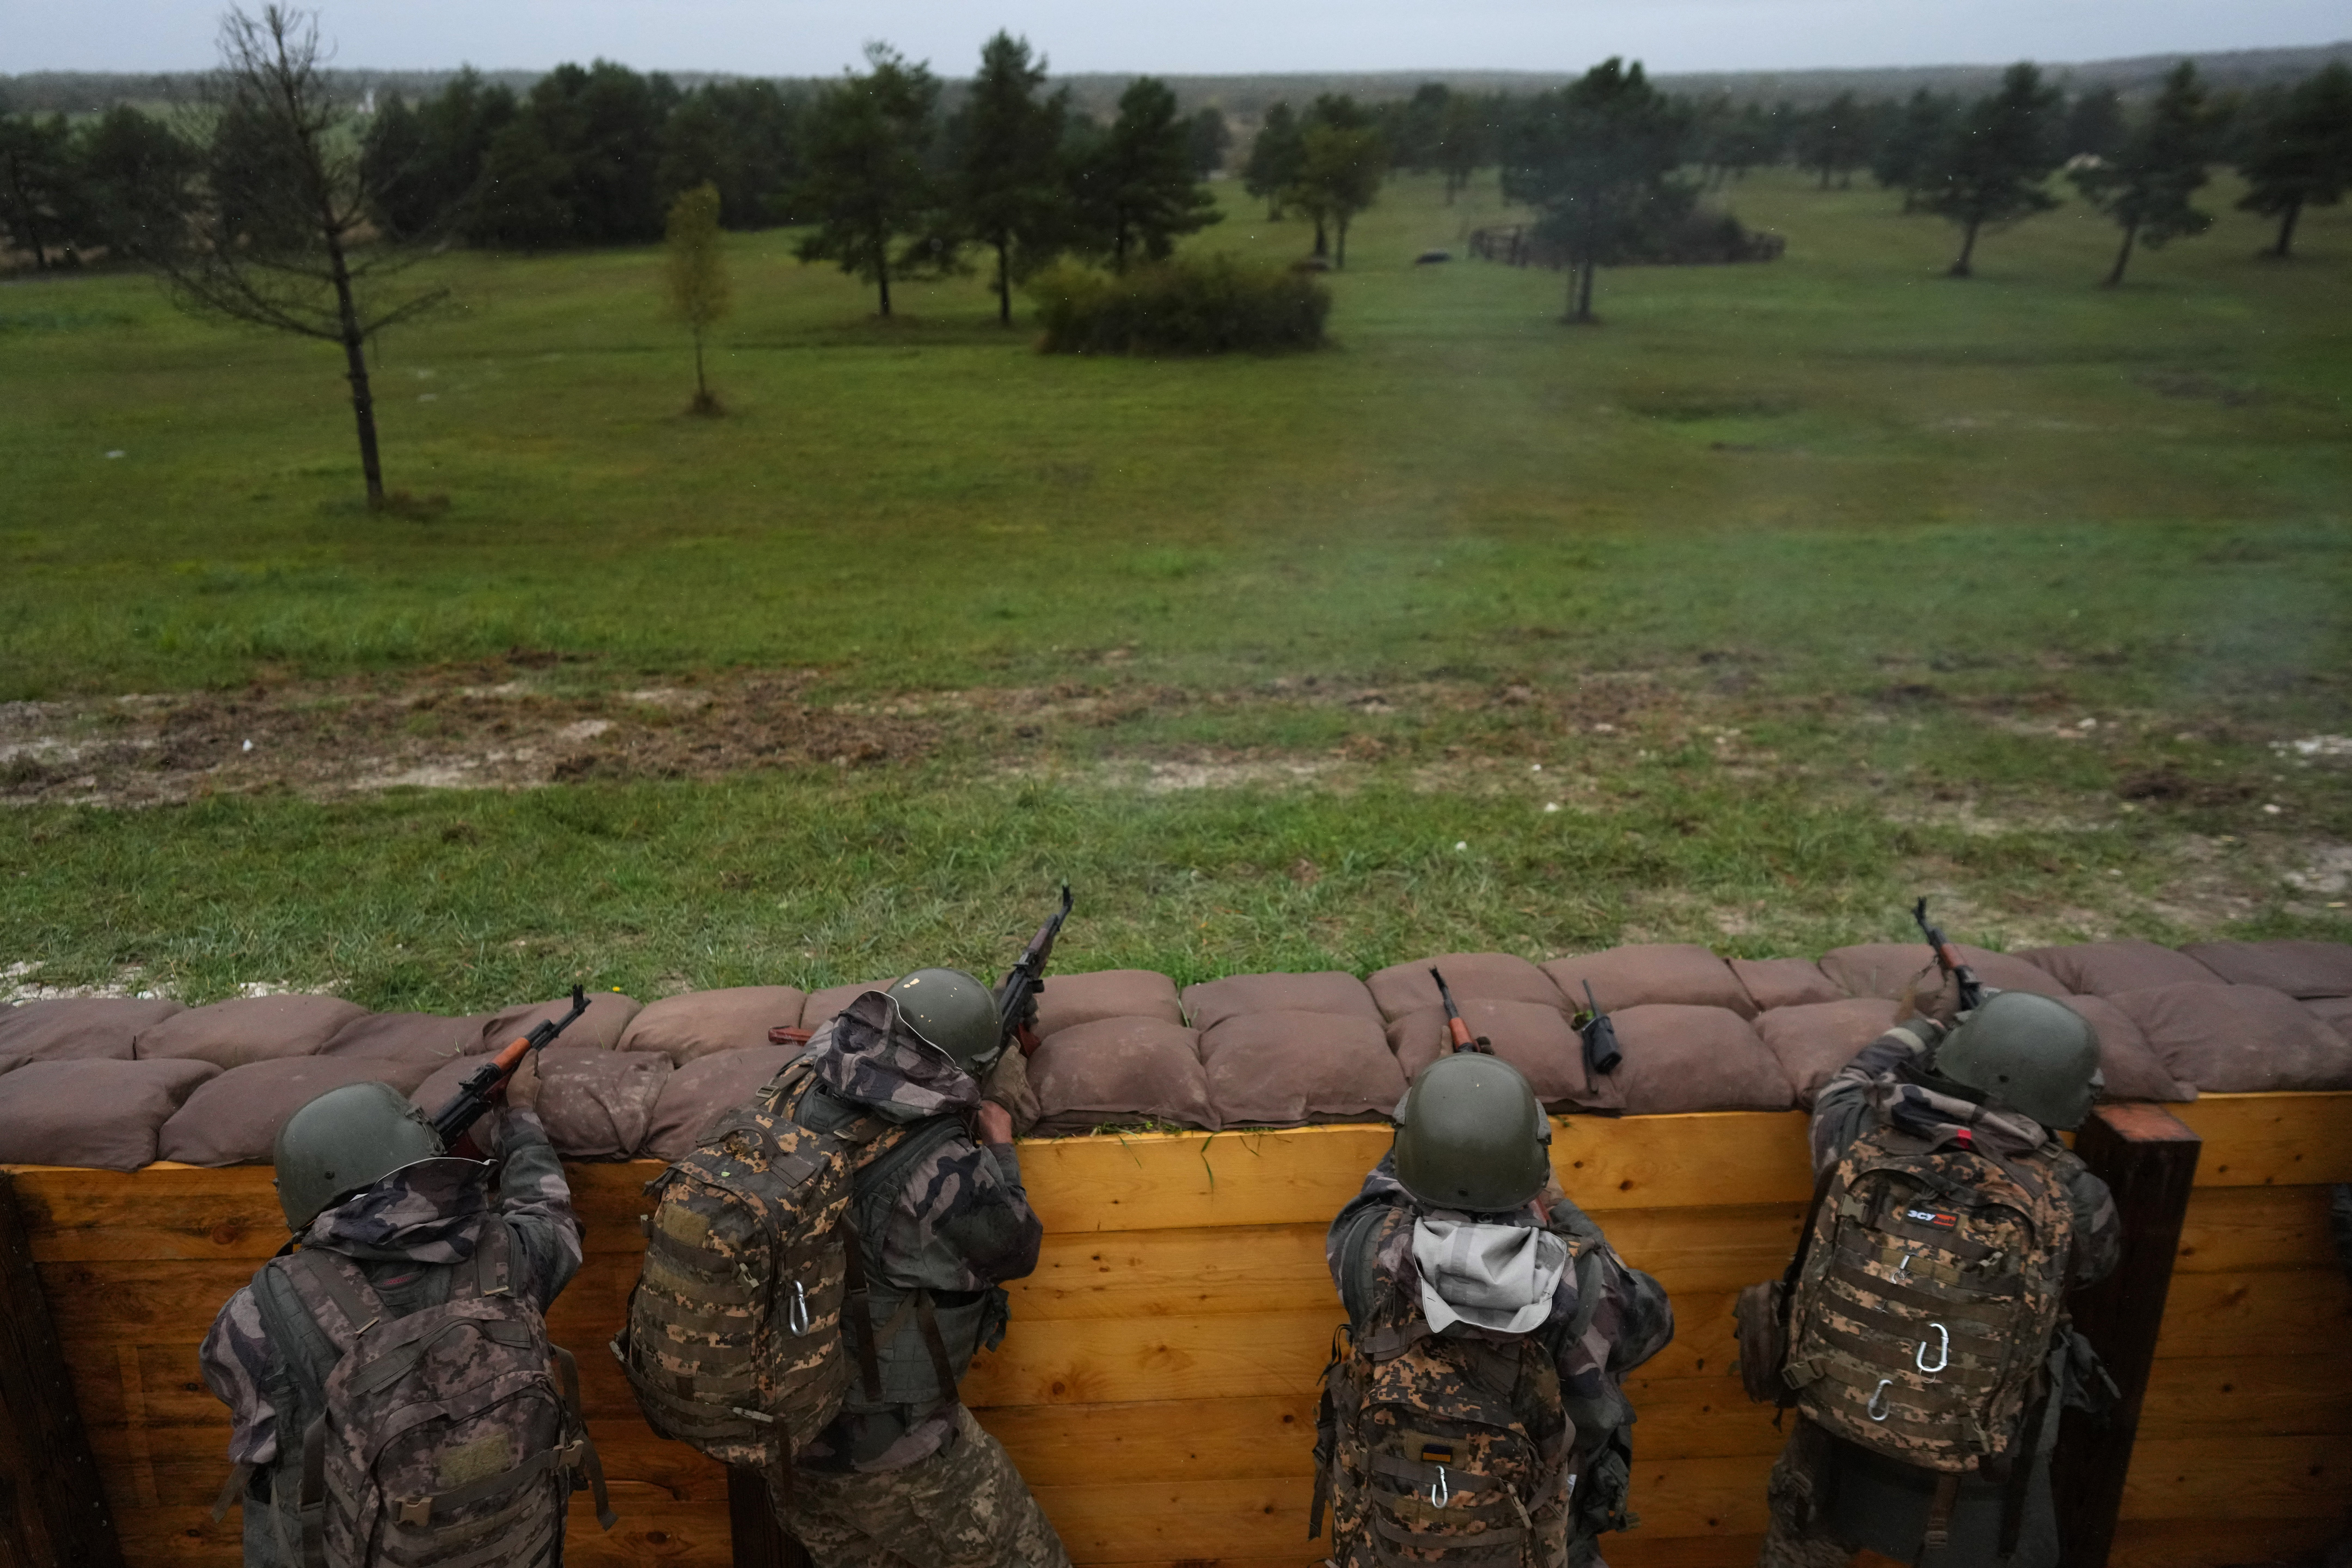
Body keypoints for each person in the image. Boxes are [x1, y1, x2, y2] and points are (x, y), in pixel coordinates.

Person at [1757, 990, 2122, 1568]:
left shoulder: (1857, 1135)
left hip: (1837, 1443)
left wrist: (1934, 1025)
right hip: (1982, 1473)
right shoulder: (2074, 1197)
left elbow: (1850, 1079)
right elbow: (2096, 1266)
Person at [201, 1066, 588, 1567]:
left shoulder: (259, 1314)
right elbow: (549, 1211)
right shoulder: (515, 1255)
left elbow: (239, 1404)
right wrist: (519, 1116)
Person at [1316, 1051, 1675, 1568]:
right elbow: (1653, 1322)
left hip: (1386, 1544)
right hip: (1543, 1542)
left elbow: (1376, 1196)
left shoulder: (1365, 1251)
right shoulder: (1587, 1280)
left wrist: (1440, 1117)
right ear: (1535, 1159)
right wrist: (1562, 1207)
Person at [766, 968, 1070, 1568]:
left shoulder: (795, 1090)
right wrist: (1000, 1141)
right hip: (892, 1454)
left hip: (785, 1441)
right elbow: (1015, 1248)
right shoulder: (941, 1172)